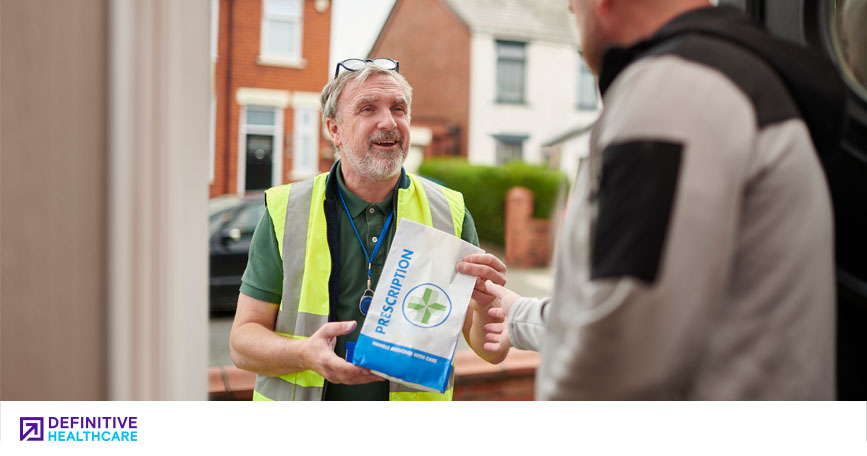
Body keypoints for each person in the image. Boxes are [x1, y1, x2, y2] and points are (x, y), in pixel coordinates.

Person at [482, 0, 845, 399]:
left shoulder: (671, 92)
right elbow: (658, 307)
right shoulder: (724, 81)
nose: (570, 7)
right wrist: (516, 316)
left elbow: (623, 352)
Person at [229, 58, 509, 401]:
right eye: (367, 109)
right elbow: (242, 344)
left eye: (398, 108)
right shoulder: (286, 210)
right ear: (334, 129)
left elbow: (491, 351)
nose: (388, 122)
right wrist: (304, 355)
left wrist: (484, 308)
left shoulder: (450, 212)